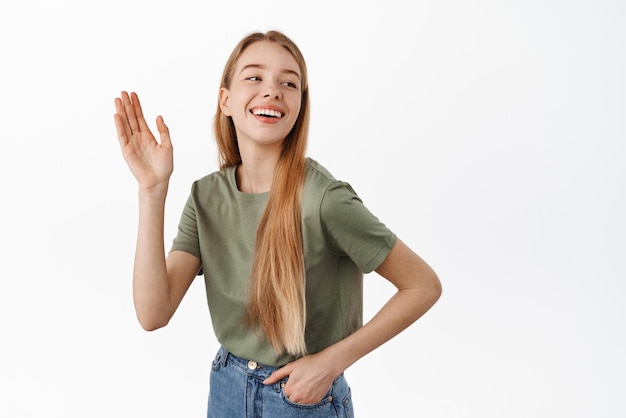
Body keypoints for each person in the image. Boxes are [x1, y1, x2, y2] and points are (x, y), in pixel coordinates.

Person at [113, 30, 441, 417]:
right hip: (226, 389)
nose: (272, 91)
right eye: (254, 77)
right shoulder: (206, 198)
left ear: (300, 105)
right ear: (226, 100)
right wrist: (152, 190)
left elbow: (422, 285)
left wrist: (331, 363)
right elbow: (153, 313)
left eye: (289, 83)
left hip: (303, 399)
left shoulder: (324, 199)